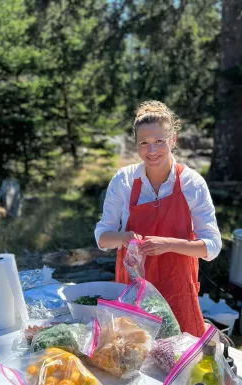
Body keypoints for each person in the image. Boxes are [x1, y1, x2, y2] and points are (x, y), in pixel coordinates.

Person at [94, 101, 222, 337]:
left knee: (178, 360)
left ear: (173, 141)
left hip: (177, 285)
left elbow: (212, 246)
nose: (151, 151)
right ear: (137, 145)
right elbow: (102, 237)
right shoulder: (123, 180)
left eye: (159, 142)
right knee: (132, 359)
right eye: (144, 143)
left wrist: (169, 244)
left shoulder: (192, 183)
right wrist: (123, 237)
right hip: (133, 286)